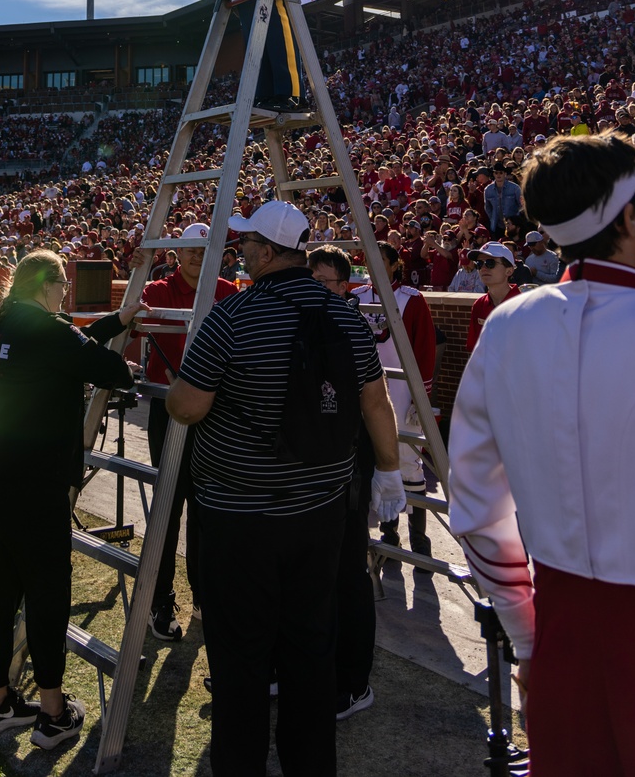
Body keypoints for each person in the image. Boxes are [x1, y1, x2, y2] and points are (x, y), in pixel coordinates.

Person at [448, 133, 635, 777]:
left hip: (556, 632)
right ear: (629, 216)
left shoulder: (507, 325)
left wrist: (527, 638)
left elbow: (473, 505)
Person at [167, 201, 403, 777]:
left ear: (266, 251)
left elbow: (187, 405)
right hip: (319, 512)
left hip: (238, 516)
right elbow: (376, 402)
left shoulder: (233, 316)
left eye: (247, 242)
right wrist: (391, 472)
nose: (241, 250)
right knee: (310, 649)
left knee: (241, 657)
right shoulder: (347, 317)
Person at [0, 250, 144, 748]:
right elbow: (108, 369)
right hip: (28, 484)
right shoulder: (48, 331)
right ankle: (54, 713)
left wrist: (115, 321)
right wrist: (123, 360)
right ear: (48, 285)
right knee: (47, 593)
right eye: (62, 286)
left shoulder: (6, 327)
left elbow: (66, 343)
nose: (65, 295)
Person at [141, 221, 237, 640]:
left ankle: (205, 593)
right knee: (168, 507)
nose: (198, 255)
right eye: (191, 248)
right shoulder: (159, 291)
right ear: (176, 253)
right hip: (169, 410)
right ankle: (159, 600)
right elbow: (135, 322)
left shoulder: (228, 291)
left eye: (205, 247)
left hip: (215, 415)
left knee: (209, 508)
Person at [307, 244, 376, 720]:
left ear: (345, 286)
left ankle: (354, 682)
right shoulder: (305, 321)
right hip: (310, 466)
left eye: (325, 284)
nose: (316, 293)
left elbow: (372, 403)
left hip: (349, 463)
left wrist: (387, 470)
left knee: (348, 574)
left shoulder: (351, 327)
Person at [352, 241, 436, 561]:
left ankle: (420, 542)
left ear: (394, 264)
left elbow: (424, 349)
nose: (373, 266)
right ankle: (389, 537)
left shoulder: (411, 299)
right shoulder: (357, 298)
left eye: (380, 260)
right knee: (375, 459)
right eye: (369, 261)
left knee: (407, 461)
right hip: (369, 389)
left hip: (402, 393)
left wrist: (421, 397)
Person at [465, 242, 521, 352]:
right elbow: (475, 349)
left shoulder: (525, 306)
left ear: (509, 270)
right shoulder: (479, 305)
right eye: (480, 264)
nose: (484, 268)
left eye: (490, 263)